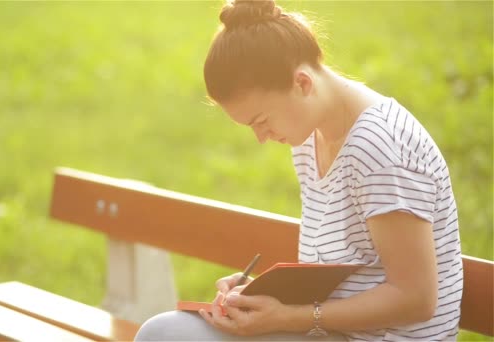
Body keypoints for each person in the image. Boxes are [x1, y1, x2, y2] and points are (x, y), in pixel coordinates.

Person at [134, 0, 463, 340]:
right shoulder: (309, 138)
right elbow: (343, 265)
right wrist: (260, 295)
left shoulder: (381, 148)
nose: (261, 138)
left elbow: (416, 299)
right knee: (163, 332)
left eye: (261, 121)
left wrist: (289, 318)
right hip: (331, 333)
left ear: (302, 84)